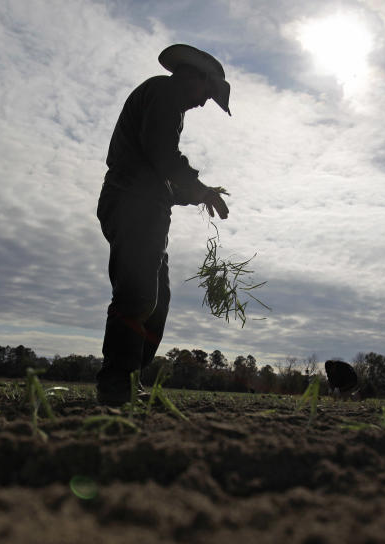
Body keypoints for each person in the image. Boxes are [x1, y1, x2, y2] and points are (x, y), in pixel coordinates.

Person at [95, 44, 232, 406]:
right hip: (130, 203)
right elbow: (162, 155)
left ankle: (131, 377)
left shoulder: (166, 102)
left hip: (148, 207)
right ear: (197, 76)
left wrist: (196, 194)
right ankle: (116, 384)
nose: (204, 103)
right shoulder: (163, 92)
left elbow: (161, 176)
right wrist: (198, 185)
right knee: (138, 293)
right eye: (208, 93)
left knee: (157, 301)